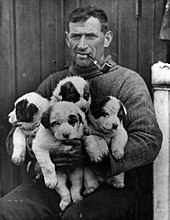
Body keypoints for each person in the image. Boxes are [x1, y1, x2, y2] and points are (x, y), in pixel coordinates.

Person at [0, 6, 162, 220]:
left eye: (91, 36)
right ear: (68, 39)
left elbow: (149, 140)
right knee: (8, 211)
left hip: (110, 186)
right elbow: (15, 134)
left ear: (107, 39)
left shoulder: (127, 82)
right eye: (76, 36)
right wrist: (35, 147)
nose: (82, 45)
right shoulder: (53, 84)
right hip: (56, 182)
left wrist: (92, 155)